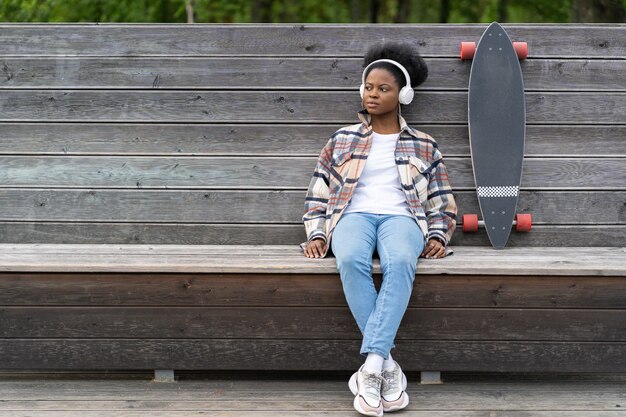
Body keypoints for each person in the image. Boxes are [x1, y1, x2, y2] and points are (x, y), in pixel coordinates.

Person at [301, 41, 457, 417]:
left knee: (402, 260)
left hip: (402, 219)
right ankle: (385, 365)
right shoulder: (342, 139)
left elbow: (441, 200)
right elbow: (319, 191)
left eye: (383, 88)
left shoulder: (425, 145)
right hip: (353, 217)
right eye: (369, 87)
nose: (373, 94)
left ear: (403, 94)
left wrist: (437, 235)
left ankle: (371, 367)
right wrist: (317, 233)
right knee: (351, 257)